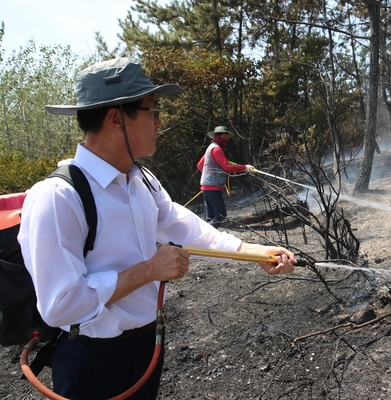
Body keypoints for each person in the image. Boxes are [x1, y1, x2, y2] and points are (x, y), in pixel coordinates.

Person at [17, 57, 296, 400]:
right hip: (93, 359)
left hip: (146, 346)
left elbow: (188, 229)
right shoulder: (58, 197)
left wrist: (255, 254)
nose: (160, 122)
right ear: (116, 118)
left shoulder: (141, 181)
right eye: (153, 110)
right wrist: (150, 269)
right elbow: (61, 305)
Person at [197, 126, 255, 228]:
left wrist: (210, 175)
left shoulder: (210, 147)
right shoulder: (216, 149)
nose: (226, 137)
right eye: (224, 135)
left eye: (227, 135)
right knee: (220, 216)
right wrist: (245, 167)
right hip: (212, 187)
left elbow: (200, 166)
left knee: (210, 218)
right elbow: (226, 166)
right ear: (218, 135)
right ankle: (203, 238)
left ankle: (203, 241)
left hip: (207, 187)